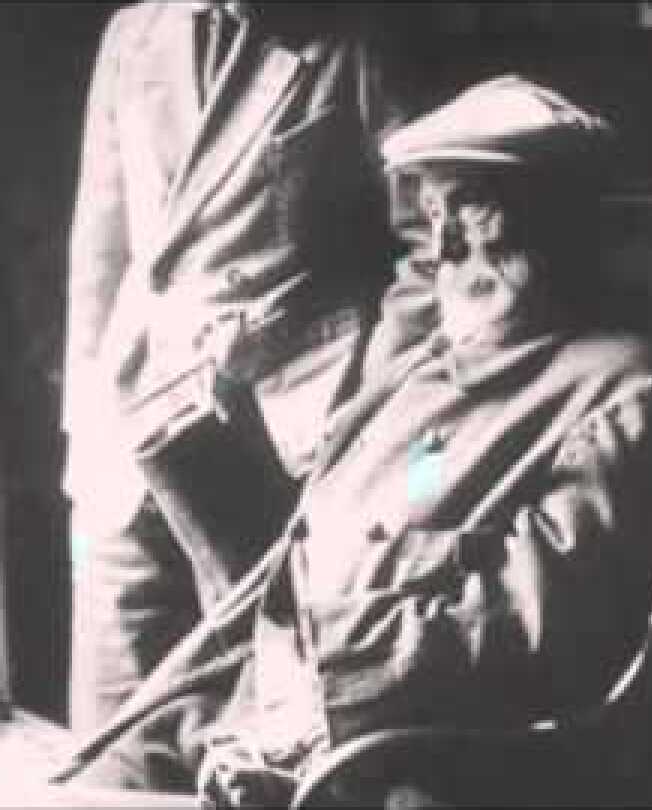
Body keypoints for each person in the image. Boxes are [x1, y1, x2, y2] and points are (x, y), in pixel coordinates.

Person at [55, 75, 652, 805]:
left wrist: (321, 686)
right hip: (270, 712)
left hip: (397, 750)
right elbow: (329, 542)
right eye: (434, 216)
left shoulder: (622, 388)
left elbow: (533, 621)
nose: (447, 245)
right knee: (92, 776)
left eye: (475, 211)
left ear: (558, 221)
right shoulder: (424, 364)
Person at [61, 1, 409, 736]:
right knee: (114, 721)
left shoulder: (356, 42)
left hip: (279, 435)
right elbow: (100, 251)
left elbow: (423, 246)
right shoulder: (133, 34)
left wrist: (365, 417)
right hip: (132, 428)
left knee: (260, 716)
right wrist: (85, 432)